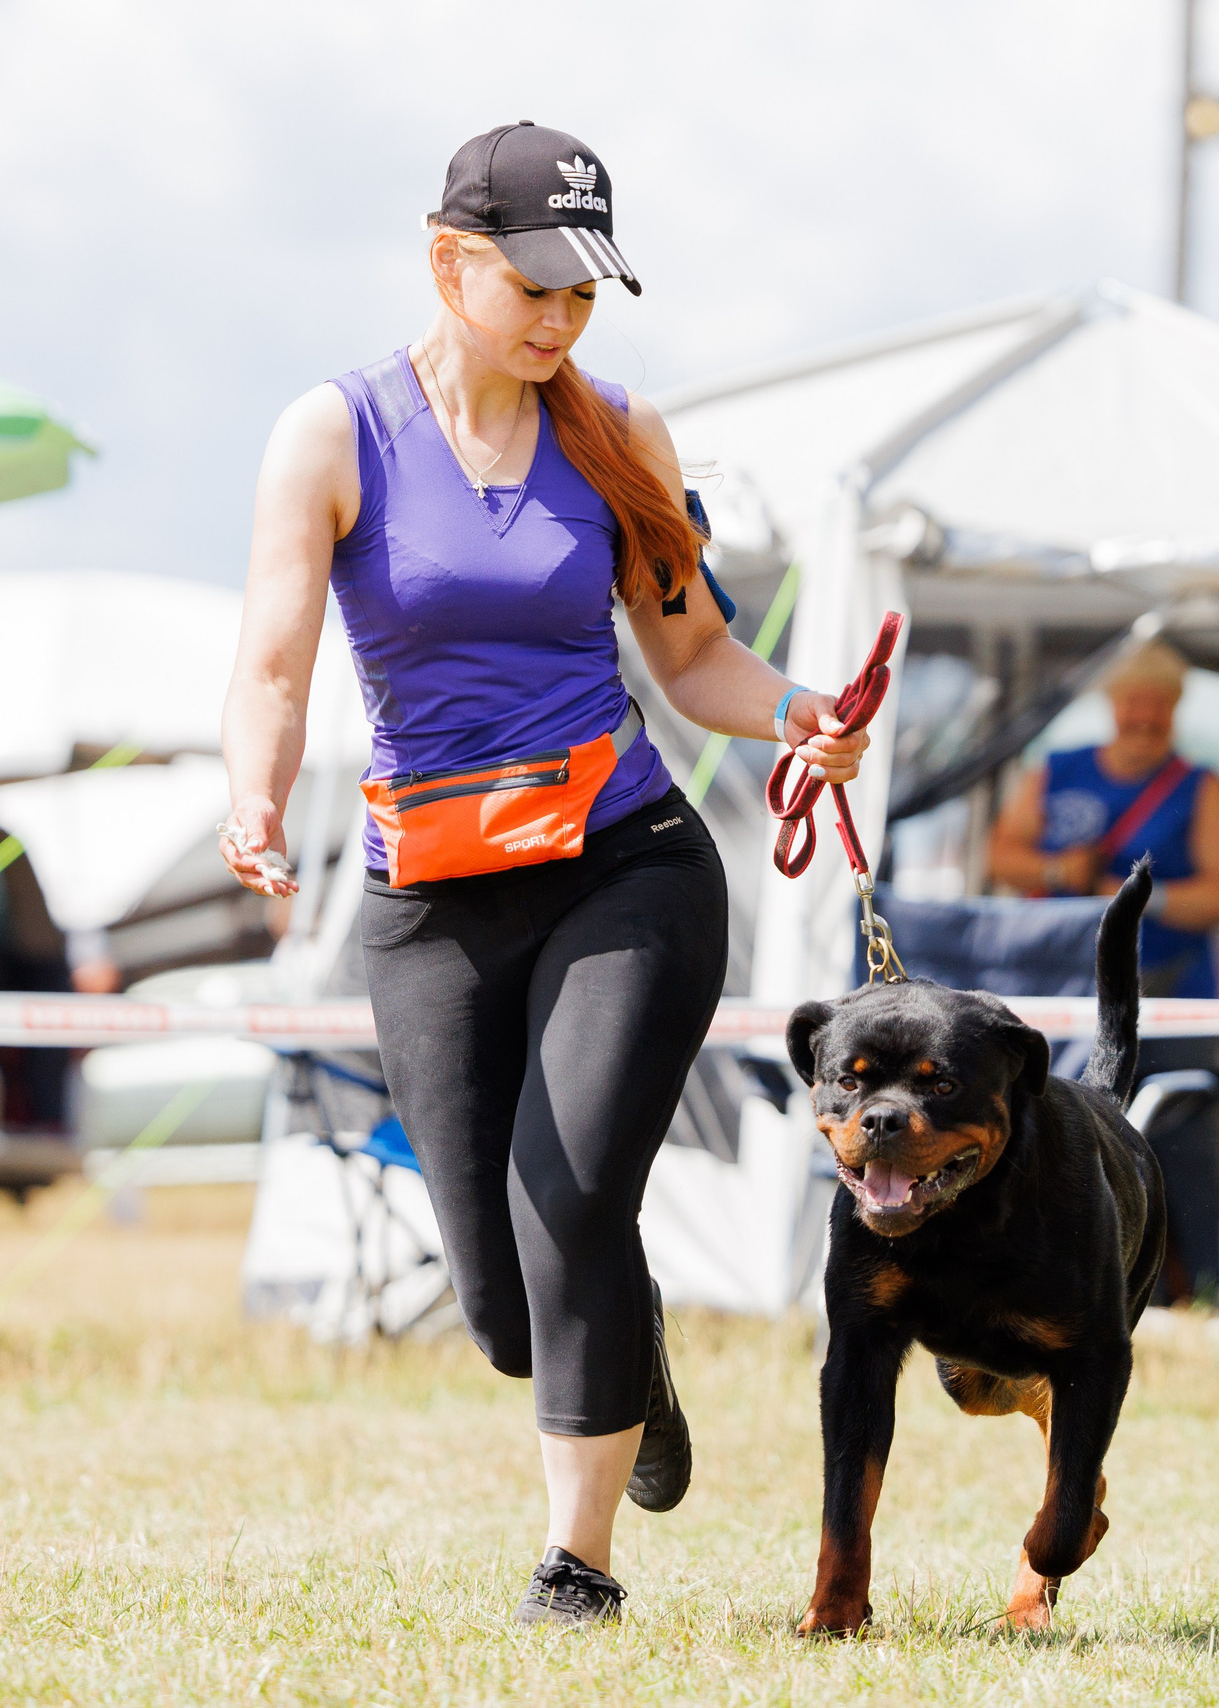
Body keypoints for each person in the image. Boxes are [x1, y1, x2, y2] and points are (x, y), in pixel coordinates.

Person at [217, 123, 869, 1627]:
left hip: (622, 869)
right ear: (448, 261)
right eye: (536, 289)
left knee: (569, 1199)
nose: (562, 323)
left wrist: (800, 713)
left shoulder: (620, 433)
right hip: (434, 893)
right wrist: (253, 796)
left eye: (587, 295)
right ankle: (623, 1362)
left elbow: (693, 653)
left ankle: (577, 1569)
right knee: (508, 1306)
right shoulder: (333, 434)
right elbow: (271, 657)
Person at [986, 642, 1219, 1303]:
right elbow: (1003, 855)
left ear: (1175, 711)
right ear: (1112, 705)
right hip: (1073, 995)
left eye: (1158, 704)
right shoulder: (1055, 772)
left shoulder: (1201, 787)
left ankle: (1196, 1288)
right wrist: (1057, 872)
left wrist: (1128, 893)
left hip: (1171, 992)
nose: (1144, 715)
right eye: (1134, 701)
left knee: (1181, 1148)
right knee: (1070, 1142)